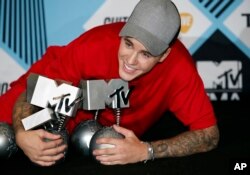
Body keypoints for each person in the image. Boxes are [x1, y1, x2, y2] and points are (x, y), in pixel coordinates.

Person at [0, 0, 219, 166]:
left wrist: (146, 151)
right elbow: (33, 91)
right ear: (123, 33)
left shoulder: (179, 68)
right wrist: (21, 133)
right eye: (128, 43)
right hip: (59, 87)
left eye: (146, 54)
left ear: (163, 55)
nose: (130, 61)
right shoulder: (94, 47)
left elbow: (209, 135)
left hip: (101, 121)